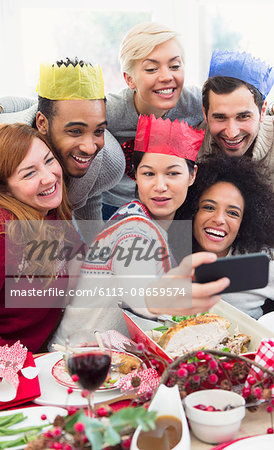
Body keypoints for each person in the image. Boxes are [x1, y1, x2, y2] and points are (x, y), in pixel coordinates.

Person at [1, 23, 274, 220]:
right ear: (129, 78)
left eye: (175, 65)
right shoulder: (109, 111)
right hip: (112, 207)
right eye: (151, 68)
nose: (166, 76)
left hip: (170, 206)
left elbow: (241, 102)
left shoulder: (197, 102)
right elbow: (41, 105)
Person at [52, 115, 230, 344]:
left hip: (111, 357)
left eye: (172, 173)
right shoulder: (134, 228)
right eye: (148, 173)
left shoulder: (152, 222)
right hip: (74, 359)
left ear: (192, 175)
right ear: (135, 176)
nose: (160, 186)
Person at [0, 58, 125, 242]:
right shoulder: (8, 145)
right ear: (41, 123)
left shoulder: (109, 164)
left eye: (99, 130)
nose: (89, 147)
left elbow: (88, 197)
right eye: (75, 131)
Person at [185, 154, 274, 319]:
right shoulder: (172, 253)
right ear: (192, 210)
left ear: (244, 222)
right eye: (209, 207)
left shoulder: (268, 264)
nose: (219, 219)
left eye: (232, 213)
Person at [199, 50, 274, 232]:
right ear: (205, 114)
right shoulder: (189, 145)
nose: (231, 133)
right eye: (220, 117)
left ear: (263, 111)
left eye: (243, 117)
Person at [0, 123, 75, 352]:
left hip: (41, 355)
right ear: (5, 190)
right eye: (29, 173)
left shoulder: (52, 215)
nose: (48, 177)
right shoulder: (5, 237)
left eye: (49, 160)